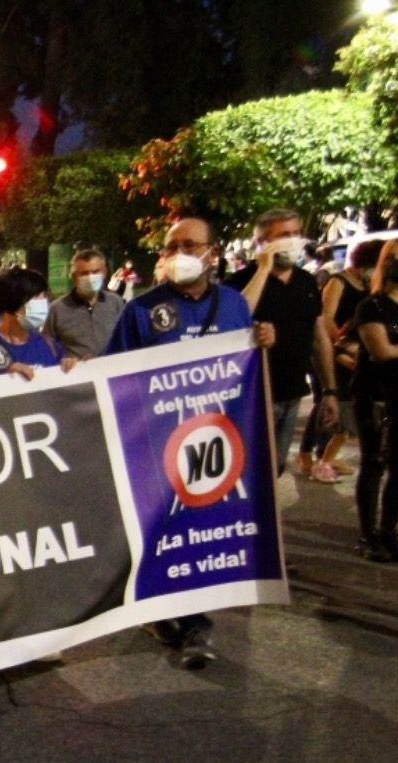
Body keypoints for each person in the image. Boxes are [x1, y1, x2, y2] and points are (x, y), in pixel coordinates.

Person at [105, 216, 267, 668]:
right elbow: (111, 371)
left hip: (213, 443)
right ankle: (167, 613)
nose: (178, 254)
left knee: (201, 530)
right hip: (156, 443)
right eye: (170, 246)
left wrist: (262, 342)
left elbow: (244, 364)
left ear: (212, 254)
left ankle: (195, 624)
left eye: (189, 245)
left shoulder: (234, 305)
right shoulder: (141, 309)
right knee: (160, 532)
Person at [227, 208, 339, 478]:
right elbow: (235, 317)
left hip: (291, 393)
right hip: (254, 397)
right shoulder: (241, 281)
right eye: (283, 235)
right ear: (263, 242)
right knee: (246, 474)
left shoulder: (305, 281)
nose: (292, 240)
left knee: (274, 470)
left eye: (295, 233)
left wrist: (330, 391)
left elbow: (318, 337)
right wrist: (264, 268)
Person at [306, 239, 380, 480]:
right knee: (332, 403)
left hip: (355, 351)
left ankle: (325, 456)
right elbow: (326, 319)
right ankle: (312, 454)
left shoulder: (369, 284)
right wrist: (339, 344)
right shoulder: (338, 281)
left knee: (345, 408)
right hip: (334, 350)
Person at [352, 240, 398, 561]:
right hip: (377, 398)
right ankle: (369, 536)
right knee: (373, 464)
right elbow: (381, 352)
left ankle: (388, 531)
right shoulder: (372, 307)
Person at [43, 248, 127, 359]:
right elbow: (47, 347)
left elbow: (126, 337)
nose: (90, 277)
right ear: (73, 277)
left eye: (95, 272)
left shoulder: (115, 302)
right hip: (77, 374)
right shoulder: (57, 309)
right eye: (84, 273)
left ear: (104, 273)